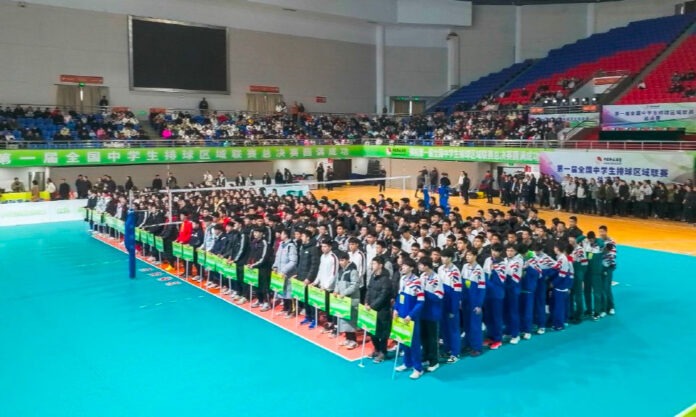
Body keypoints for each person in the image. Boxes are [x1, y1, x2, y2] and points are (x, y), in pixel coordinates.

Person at [393, 257, 425, 380]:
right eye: (403, 265)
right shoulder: (402, 279)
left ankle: (418, 368)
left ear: (411, 268)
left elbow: (421, 302)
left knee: (414, 343)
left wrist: (411, 315)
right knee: (403, 340)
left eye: (406, 266)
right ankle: (407, 363)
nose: (403, 267)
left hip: (411, 318)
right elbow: (399, 296)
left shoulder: (417, 282)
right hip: (401, 315)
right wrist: (396, 309)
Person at [365, 256, 392, 363]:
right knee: (372, 331)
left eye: (374, 264)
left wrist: (372, 306)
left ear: (380, 265)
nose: (372, 266)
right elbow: (369, 290)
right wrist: (366, 302)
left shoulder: (386, 280)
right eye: (372, 264)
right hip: (370, 308)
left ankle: (383, 352)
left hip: (382, 310)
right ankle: (376, 349)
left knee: (383, 333)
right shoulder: (373, 276)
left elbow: (383, 295)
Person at [419, 257, 443, 372]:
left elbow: (439, 296)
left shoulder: (436, 278)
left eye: (421, 264)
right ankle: (425, 356)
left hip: (432, 313)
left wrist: (426, 294)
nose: (419, 266)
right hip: (423, 312)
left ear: (427, 266)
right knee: (424, 337)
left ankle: (434, 361)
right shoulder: (422, 276)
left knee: (432, 338)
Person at [438, 248, 462, 363]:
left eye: (445, 257)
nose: (443, 259)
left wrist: (454, 308)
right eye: (442, 256)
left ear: (450, 258)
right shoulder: (440, 269)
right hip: (442, 302)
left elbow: (456, 292)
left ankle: (455, 353)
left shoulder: (455, 272)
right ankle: (447, 349)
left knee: (453, 329)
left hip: (451, 302)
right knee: (444, 328)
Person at [334, 251, 360, 349]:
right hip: (343, 300)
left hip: (351, 300)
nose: (341, 262)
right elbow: (337, 282)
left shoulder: (353, 271)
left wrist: (344, 293)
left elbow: (355, 285)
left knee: (351, 322)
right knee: (344, 319)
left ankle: (354, 340)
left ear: (347, 260)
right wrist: (336, 291)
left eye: (342, 260)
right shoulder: (341, 271)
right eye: (340, 260)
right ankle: (348, 339)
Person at [462, 250, 486, 356]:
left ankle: (477, 348)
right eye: (466, 255)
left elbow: (482, 289)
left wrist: (479, 305)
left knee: (475, 325)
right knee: (467, 324)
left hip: (475, 301)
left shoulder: (479, 270)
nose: (467, 256)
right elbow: (463, 285)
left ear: (475, 256)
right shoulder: (464, 267)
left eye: (470, 254)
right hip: (466, 301)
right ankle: (468, 344)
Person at [483, 244, 505, 350]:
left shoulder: (503, 263)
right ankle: (490, 336)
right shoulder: (488, 260)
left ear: (500, 252)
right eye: (493, 250)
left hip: (497, 293)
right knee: (488, 317)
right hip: (487, 294)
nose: (494, 253)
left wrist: (493, 270)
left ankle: (498, 339)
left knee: (496, 317)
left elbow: (500, 281)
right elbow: (484, 273)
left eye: (496, 251)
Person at [272, 228, 298, 317]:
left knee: (289, 292)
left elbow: (293, 261)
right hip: (280, 273)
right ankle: (285, 309)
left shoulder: (291, 246)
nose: (280, 235)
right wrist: (275, 266)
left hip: (288, 273)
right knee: (282, 291)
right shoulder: (281, 244)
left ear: (286, 235)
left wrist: (284, 270)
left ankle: (291, 310)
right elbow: (277, 257)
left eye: (282, 233)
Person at [248, 227, 273, 312]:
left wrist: (254, 265)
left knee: (264, 286)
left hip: (264, 268)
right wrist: (249, 262)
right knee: (256, 284)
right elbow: (251, 254)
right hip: (255, 268)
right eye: (254, 232)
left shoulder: (265, 243)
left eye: (257, 232)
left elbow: (264, 258)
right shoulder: (254, 242)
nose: (255, 234)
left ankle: (267, 303)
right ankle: (260, 300)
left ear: (262, 234)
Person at [502, 244, 523, 344]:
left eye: (511, 251)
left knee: (513, 312)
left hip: (513, 288)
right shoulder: (505, 260)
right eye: (508, 250)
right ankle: (508, 331)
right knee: (506, 311)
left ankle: (516, 334)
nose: (509, 252)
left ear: (515, 252)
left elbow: (514, 276)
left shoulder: (518, 261)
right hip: (505, 288)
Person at [550, 242, 573, 330]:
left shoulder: (562, 259)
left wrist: (553, 283)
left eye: (555, 247)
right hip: (563, 286)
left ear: (558, 248)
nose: (554, 249)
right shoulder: (564, 258)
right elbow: (570, 273)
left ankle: (559, 325)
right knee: (562, 305)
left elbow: (562, 274)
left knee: (558, 306)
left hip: (560, 286)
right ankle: (564, 321)